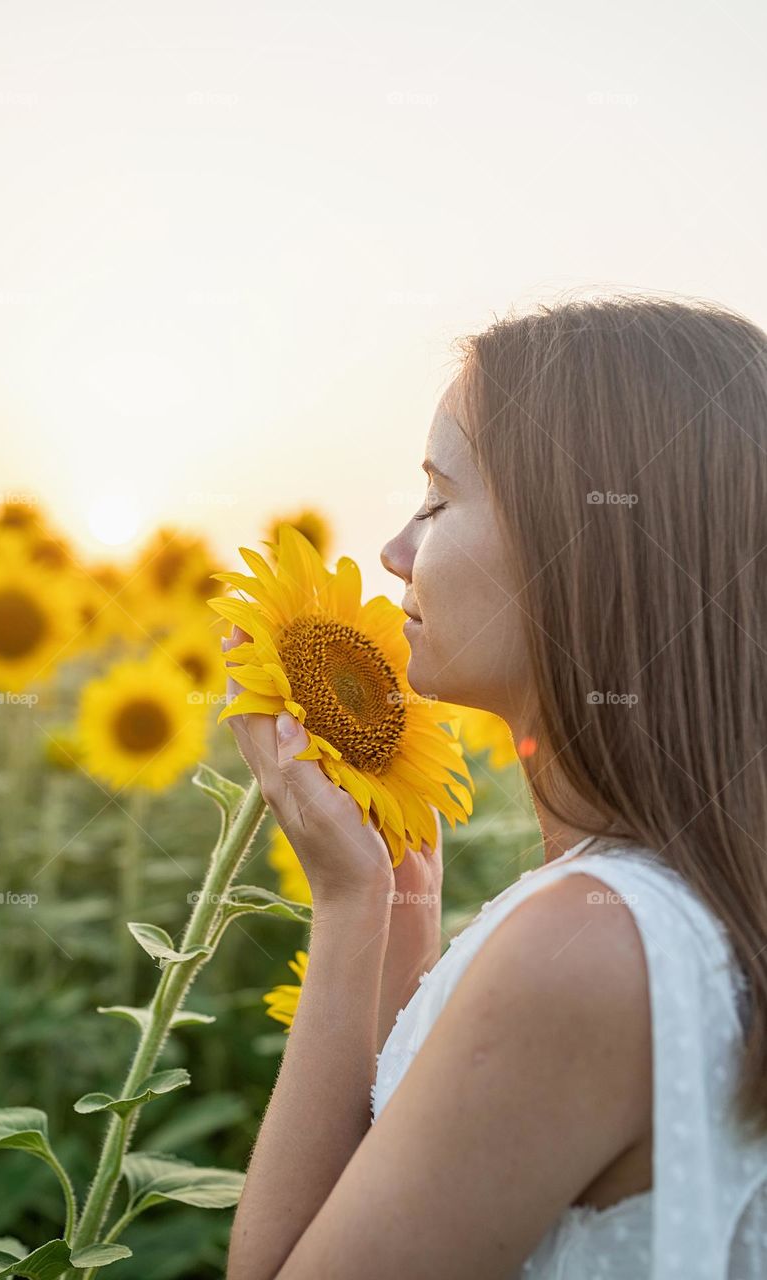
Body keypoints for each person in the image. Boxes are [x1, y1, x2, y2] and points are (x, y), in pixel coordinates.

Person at [223, 294, 767, 1279]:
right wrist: (398, 902)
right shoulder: (686, 900)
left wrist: (346, 911)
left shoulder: (582, 947)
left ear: (583, 544)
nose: (391, 553)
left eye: (435, 499)